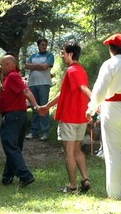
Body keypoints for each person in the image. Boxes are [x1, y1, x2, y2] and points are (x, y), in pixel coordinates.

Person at [86, 33, 121, 200]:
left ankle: (116, 194)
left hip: (113, 107)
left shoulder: (109, 65)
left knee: (112, 152)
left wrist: (91, 108)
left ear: (112, 48)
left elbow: (99, 90)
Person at [38, 41, 92, 193]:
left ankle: (72, 186)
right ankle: (85, 179)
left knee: (69, 152)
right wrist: (48, 106)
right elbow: (64, 93)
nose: (61, 56)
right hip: (81, 117)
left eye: (63, 52)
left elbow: (83, 88)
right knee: (77, 150)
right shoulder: (80, 70)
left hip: (69, 117)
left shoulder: (72, 70)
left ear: (70, 54)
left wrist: (96, 104)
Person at [0, 55, 39, 188]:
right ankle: (7, 177)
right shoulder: (8, 79)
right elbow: (0, 99)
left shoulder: (13, 76)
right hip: (17, 115)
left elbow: (26, 91)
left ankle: (25, 176)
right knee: (13, 147)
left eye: (2, 64)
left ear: (9, 64)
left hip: (14, 116)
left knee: (10, 145)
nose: (0, 67)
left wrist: (35, 106)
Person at [25, 38, 54, 141]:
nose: (44, 46)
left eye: (45, 45)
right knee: (34, 108)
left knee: (43, 107)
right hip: (32, 84)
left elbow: (45, 67)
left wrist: (34, 66)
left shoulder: (49, 55)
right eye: (42, 45)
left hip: (44, 84)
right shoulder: (33, 56)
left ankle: (45, 132)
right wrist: (39, 65)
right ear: (38, 45)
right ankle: (34, 132)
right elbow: (26, 66)